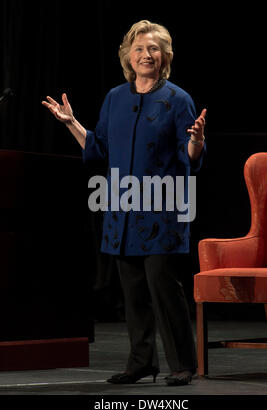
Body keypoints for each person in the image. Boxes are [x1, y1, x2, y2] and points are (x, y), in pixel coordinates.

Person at [42, 20, 206, 386]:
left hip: (162, 211)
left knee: (163, 288)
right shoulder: (115, 98)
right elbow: (98, 147)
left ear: (164, 58)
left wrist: (196, 140)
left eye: (153, 49)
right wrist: (71, 123)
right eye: (139, 49)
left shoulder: (178, 100)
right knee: (132, 293)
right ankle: (142, 362)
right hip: (122, 211)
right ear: (128, 57)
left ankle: (183, 363)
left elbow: (191, 154)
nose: (146, 54)